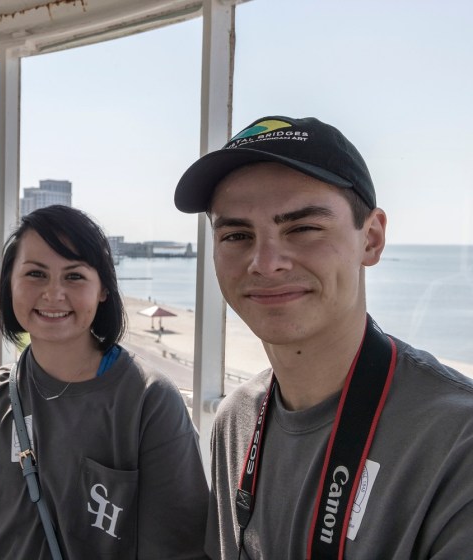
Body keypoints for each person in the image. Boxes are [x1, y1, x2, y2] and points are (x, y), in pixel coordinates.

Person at [174, 115, 473, 559]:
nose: (265, 263)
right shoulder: (236, 420)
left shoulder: (455, 442)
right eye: (236, 235)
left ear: (371, 239)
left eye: (302, 228)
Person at [0, 204, 209, 559]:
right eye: (35, 274)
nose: (53, 293)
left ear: (103, 289)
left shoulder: (148, 401)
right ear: (10, 283)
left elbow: (178, 549)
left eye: (74, 276)